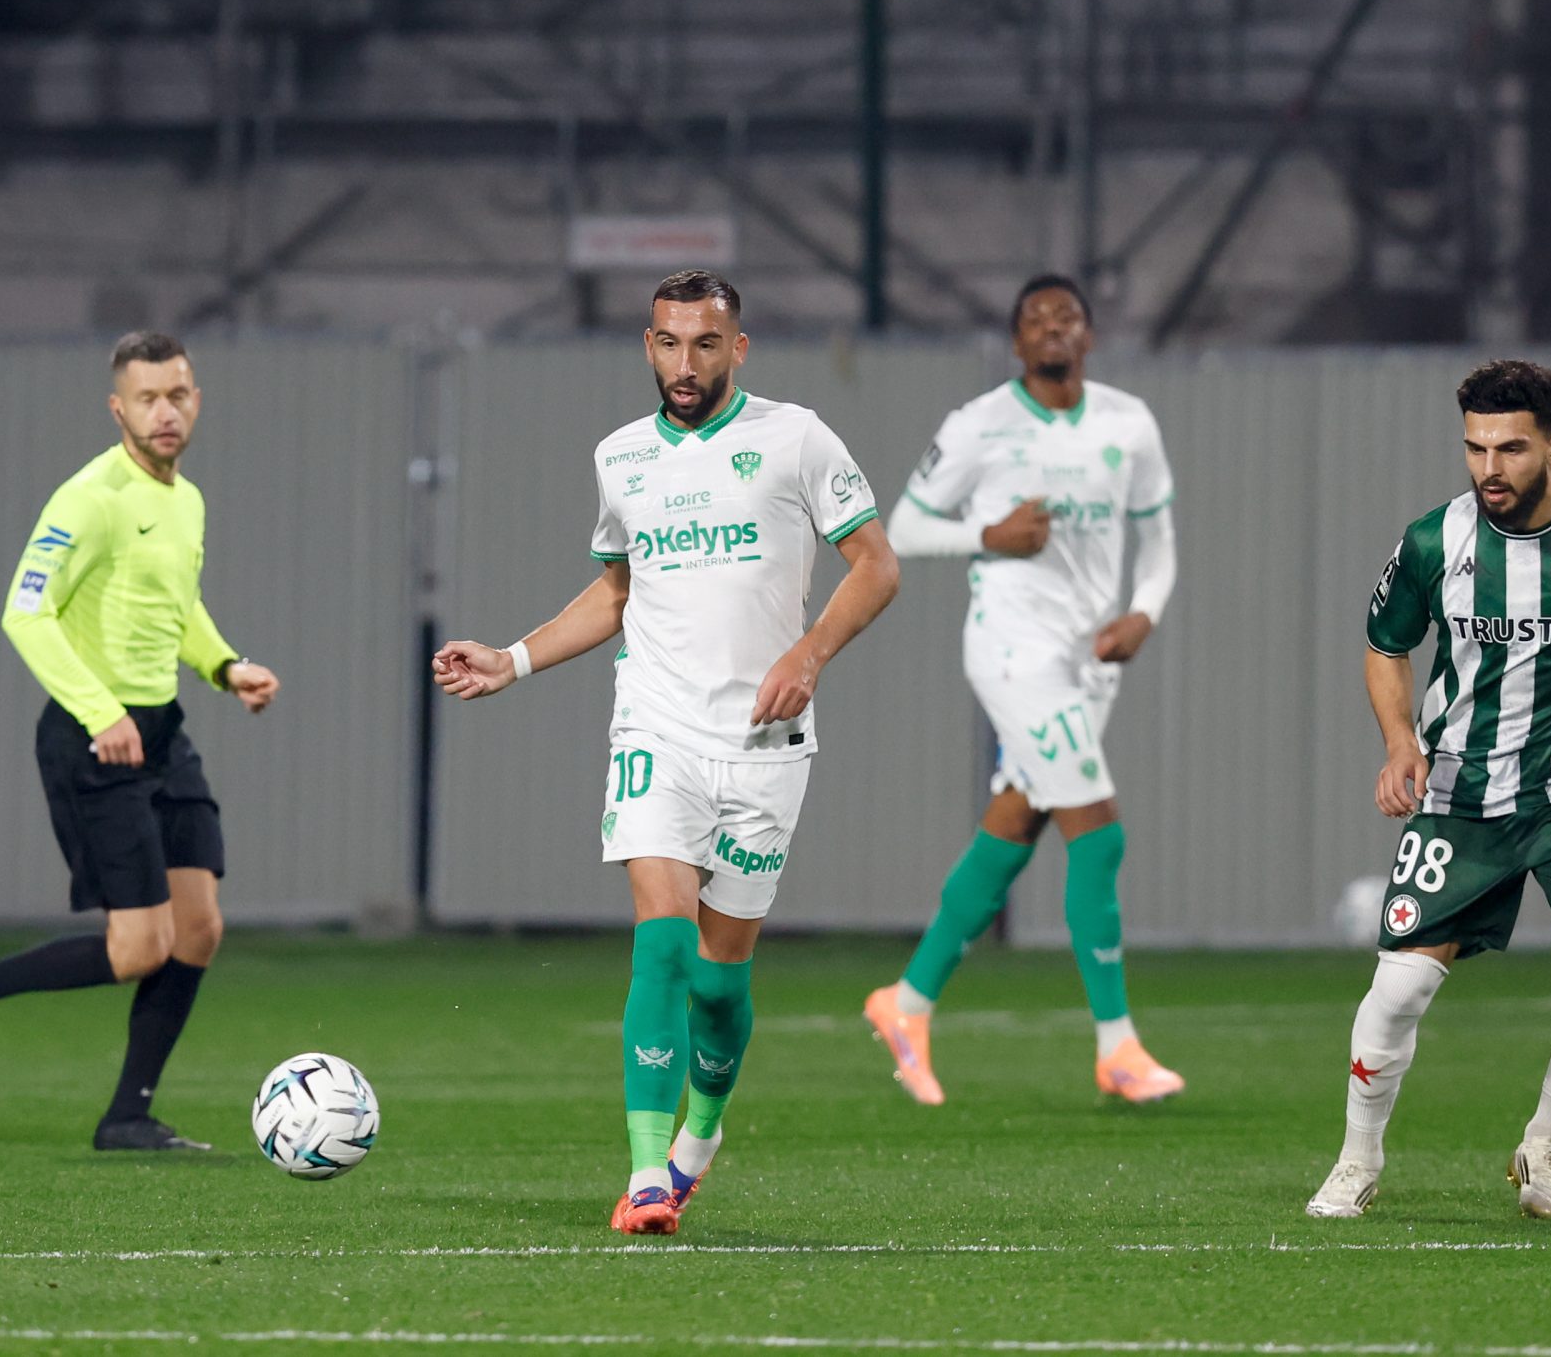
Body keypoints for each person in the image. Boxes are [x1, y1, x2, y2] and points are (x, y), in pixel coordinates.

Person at [432, 269, 900, 1236]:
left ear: (739, 347)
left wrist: (809, 655)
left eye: (704, 345)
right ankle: (649, 1177)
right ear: (647, 344)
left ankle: (702, 1135)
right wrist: (510, 660)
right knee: (662, 945)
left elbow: (877, 564)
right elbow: (615, 594)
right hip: (657, 731)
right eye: (666, 343)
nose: (683, 365)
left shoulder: (797, 438)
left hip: (766, 746)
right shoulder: (622, 458)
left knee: (722, 989)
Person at [1306, 359, 1551, 1221]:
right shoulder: (1433, 542)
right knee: (1399, 990)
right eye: (1476, 448)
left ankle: (1543, 1145)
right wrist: (1400, 741)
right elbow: (1385, 645)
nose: (1490, 467)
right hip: (1461, 790)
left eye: (1512, 448)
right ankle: (1357, 1160)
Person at [0, 330, 280, 1152]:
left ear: (196, 400)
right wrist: (97, 710)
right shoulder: (90, 498)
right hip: (93, 742)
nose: (165, 412)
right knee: (139, 946)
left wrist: (225, 666)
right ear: (118, 408)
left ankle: (128, 1116)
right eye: (147, 398)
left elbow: (174, 607)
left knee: (200, 929)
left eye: (178, 394)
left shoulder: (185, 500)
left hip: (162, 732)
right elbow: (24, 610)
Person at [866, 274, 1184, 1107]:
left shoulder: (1129, 422)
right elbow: (902, 528)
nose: (1052, 328)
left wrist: (1143, 614)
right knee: (1099, 834)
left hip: (1089, 659)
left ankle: (907, 1000)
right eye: (1035, 318)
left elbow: (1158, 546)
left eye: (1067, 316)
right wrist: (988, 534)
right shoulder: (979, 426)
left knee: (1015, 821)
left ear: (1088, 335)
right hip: (1012, 650)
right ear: (1016, 343)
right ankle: (1117, 1047)